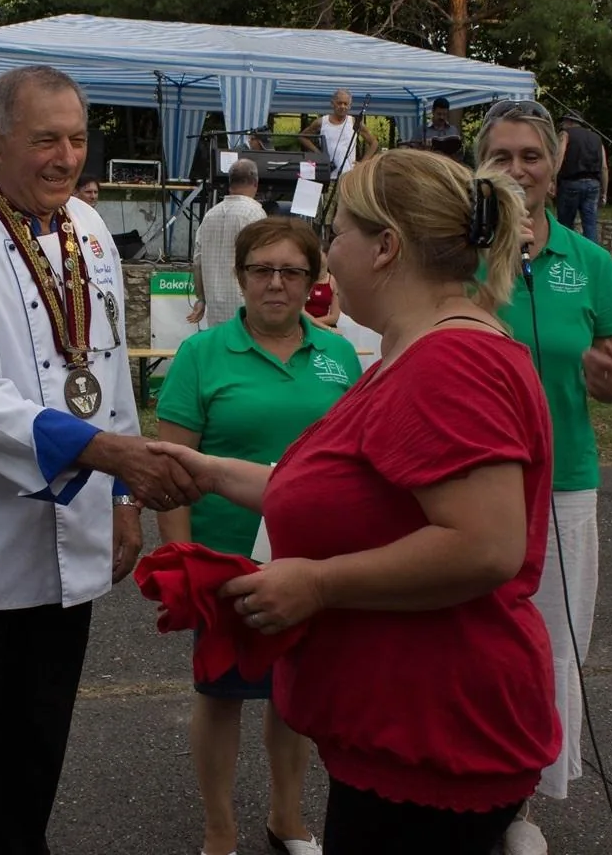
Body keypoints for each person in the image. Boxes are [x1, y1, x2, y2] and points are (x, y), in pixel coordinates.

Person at [152, 148, 559, 854]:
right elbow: (350, 493)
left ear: (386, 247)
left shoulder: (448, 361)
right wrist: (208, 470)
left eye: (337, 233)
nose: (328, 252)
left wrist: (315, 582)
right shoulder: (416, 349)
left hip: (433, 726)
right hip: (404, 722)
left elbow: (485, 545)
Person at [0, 64, 198, 855]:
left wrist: (122, 501)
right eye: (44, 141)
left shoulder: (89, 231)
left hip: (71, 543)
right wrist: (110, 459)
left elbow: (105, 372)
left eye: (75, 138)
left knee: (34, 752)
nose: (66, 157)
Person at [156, 217, 361, 855]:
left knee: (293, 695)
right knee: (222, 695)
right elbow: (171, 469)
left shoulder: (340, 356)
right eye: (261, 271)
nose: (276, 283)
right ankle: (220, 831)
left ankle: (287, 819)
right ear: (240, 277)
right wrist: (178, 560)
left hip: (311, 561)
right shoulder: (201, 355)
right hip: (226, 559)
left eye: (291, 271)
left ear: (313, 280)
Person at [476, 99, 612, 855]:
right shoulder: (455, 252)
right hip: (472, 477)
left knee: (553, 642)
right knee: (469, 636)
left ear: (554, 162)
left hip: (564, 477)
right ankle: (466, 785)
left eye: (529, 156)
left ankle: (524, 803)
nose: (516, 170)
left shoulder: (591, 263)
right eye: (501, 156)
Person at [188, 159, 266, 330]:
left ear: (230, 183)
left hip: (214, 304)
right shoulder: (255, 214)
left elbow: (197, 261)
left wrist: (201, 298)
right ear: (255, 182)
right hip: (245, 304)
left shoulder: (209, 215)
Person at [555, 111, 609, 243]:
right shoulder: (596, 138)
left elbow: (559, 157)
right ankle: (592, 258)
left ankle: (565, 253)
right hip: (593, 185)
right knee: (590, 225)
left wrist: (551, 179)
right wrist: (604, 192)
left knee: (565, 224)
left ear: (569, 121)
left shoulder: (565, 134)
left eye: (563, 122)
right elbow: (604, 167)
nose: (562, 125)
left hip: (571, 183)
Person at [300, 89, 377, 180]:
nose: (342, 106)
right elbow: (303, 137)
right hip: (327, 175)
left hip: (349, 177)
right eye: (339, 103)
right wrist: (319, 153)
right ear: (333, 103)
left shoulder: (354, 122)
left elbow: (374, 143)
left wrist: (362, 163)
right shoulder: (321, 122)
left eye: (345, 104)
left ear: (350, 106)